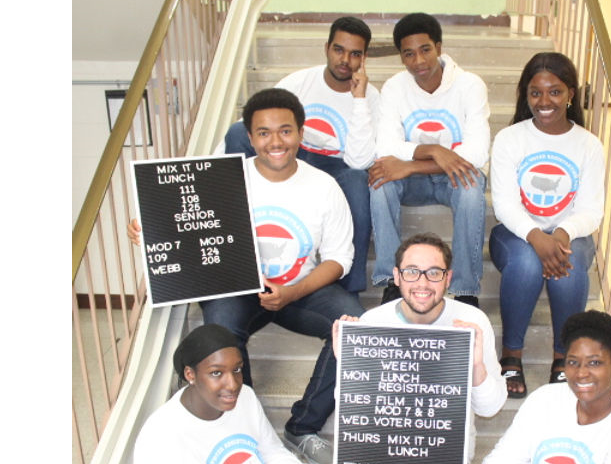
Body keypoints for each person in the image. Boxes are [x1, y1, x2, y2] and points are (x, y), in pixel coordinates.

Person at [129, 88, 364, 464]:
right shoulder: (222, 181)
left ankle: (302, 427)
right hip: (238, 288)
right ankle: (241, 422)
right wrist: (152, 231)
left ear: (300, 134)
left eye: (285, 131)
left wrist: (291, 292)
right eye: (264, 133)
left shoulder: (324, 186)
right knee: (219, 327)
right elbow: (186, 229)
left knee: (354, 326)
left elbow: (340, 259)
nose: (276, 141)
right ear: (251, 137)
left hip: (297, 289)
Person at [219, 16, 379, 297]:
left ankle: (348, 287)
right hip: (296, 150)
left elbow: (360, 160)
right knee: (235, 131)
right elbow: (261, 122)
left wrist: (359, 99)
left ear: (364, 58)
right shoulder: (300, 81)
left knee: (357, 181)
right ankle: (230, 222)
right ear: (327, 47)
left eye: (355, 54)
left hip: (338, 164)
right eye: (339, 50)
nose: (345, 60)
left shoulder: (371, 97)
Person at [333, 233, 506, 463]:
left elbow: (489, 409)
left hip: (445, 455)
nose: (422, 283)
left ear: (448, 278)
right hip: (381, 454)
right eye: (411, 272)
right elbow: (356, 413)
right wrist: (348, 366)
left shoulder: (472, 322)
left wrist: (476, 367)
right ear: (396, 276)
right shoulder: (372, 323)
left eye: (434, 273)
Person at [488, 52, 604, 398]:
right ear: (526, 95)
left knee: (567, 266)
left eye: (554, 91)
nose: (544, 101)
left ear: (570, 93)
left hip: (572, 235)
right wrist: (537, 236)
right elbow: (505, 204)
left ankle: (562, 358)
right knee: (525, 262)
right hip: (515, 234)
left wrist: (562, 233)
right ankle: (511, 355)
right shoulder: (511, 138)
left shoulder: (588, 144)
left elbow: (591, 210)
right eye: (535, 92)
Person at [368, 13, 490, 308]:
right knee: (379, 180)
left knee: (472, 188)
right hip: (413, 183)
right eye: (408, 54)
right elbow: (386, 146)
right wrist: (435, 150)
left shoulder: (470, 85)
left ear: (439, 47)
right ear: (401, 57)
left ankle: (465, 289)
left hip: (453, 178)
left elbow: (477, 153)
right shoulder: (395, 87)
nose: (418, 61)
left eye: (425, 50)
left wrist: (410, 163)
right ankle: (390, 280)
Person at [482, 310, 611, 463]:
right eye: (573, 362)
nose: (581, 373)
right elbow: (502, 459)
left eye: (595, 363)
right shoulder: (544, 400)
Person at [133, 324, 302, 463]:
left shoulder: (246, 396)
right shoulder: (160, 436)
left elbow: (272, 452)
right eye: (216, 373)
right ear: (190, 374)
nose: (233, 384)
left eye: (236, 369)